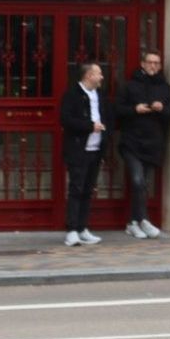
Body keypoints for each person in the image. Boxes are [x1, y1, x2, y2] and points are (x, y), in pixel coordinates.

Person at [115, 50, 170, 239]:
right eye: (150, 62)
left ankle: (133, 222)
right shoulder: (130, 86)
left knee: (143, 184)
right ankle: (143, 219)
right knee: (138, 180)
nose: (153, 66)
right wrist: (135, 109)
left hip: (152, 142)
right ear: (142, 64)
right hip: (131, 141)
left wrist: (162, 108)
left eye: (157, 63)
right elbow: (117, 110)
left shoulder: (165, 88)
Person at [60, 61, 109, 246]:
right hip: (78, 149)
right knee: (76, 189)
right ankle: (72, 230)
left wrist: (105, 134)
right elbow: (66, 119)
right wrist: (90, 126)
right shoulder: (72, 94)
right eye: (99, 73)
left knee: (88, 190)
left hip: (96, 149)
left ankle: (82, 228)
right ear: (89, 76)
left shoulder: (100, 95)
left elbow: (107, 117)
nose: (102, 77)